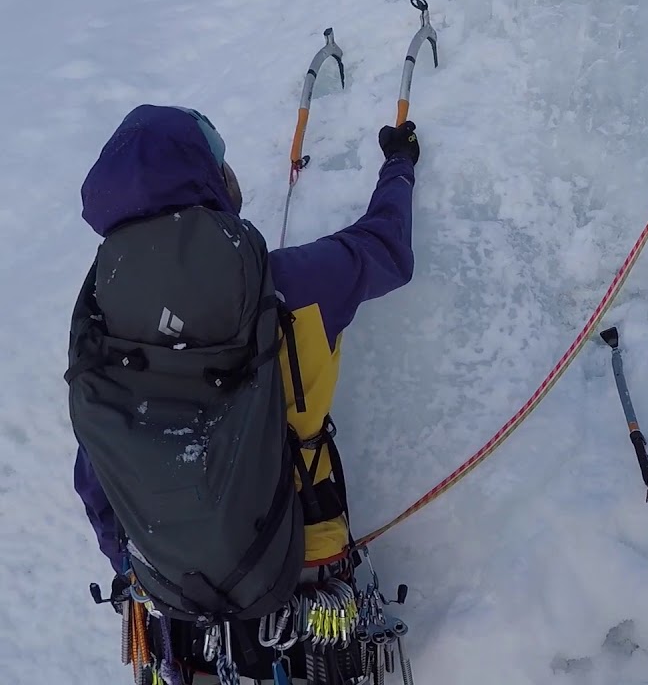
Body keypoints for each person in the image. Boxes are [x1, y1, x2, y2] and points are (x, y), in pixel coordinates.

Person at [70, 104, 420, 682]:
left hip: (175, 599)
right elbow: (386, 249)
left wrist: (138, 562)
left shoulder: (99, 326)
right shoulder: (296, 286)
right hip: (306, 568)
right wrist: (399, 165)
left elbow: (97, 469)